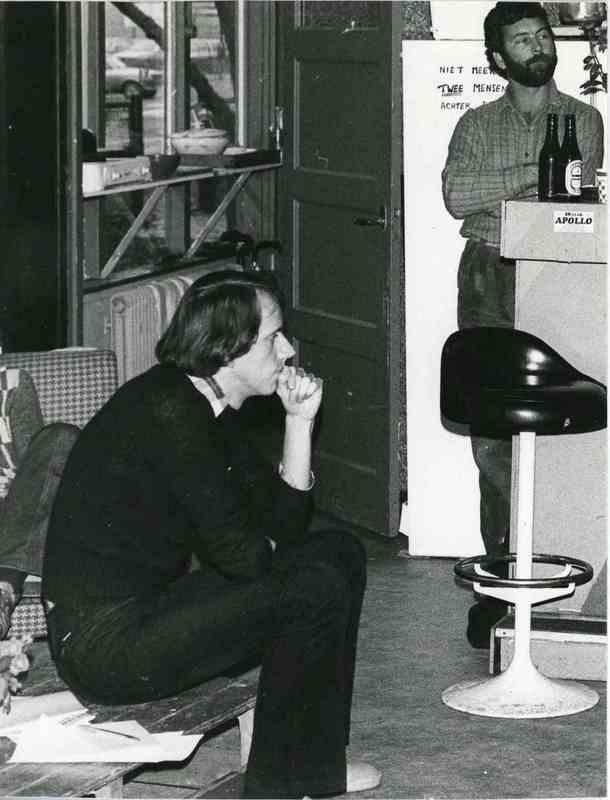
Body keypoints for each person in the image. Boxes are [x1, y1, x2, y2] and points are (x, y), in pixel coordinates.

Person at [42, 270, 381, 799]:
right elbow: (245, 557)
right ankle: (284, 782)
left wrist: (298, 423)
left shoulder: (205, 406)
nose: (288, 351)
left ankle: (315, 763)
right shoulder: (172, 410)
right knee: (312, 584)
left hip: (146, 612)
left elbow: (287, 526)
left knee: (339, 550)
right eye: (273, 337)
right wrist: (267, 548)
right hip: (103, 647)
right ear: (229, 348)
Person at [441, 1, 604, 648]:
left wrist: (508, 182)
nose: (537, 46)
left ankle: (555, 584)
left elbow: (573, 190)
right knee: (493, 438)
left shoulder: (584, 119)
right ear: (497, 57)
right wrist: (536, 171)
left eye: (542, 36)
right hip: (488, 272)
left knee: (562, 433)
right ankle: (500, 586)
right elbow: (457, 196)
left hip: (560, 275)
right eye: (521, 40)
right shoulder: (475, 122)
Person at [0, 363, 78, 639]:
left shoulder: (12, 384)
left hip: (13, 510)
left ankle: (3, 590)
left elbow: (33, 466)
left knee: (61, 437)